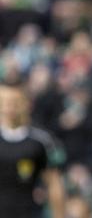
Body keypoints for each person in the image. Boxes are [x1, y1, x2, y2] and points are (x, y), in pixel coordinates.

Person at [0, 79, 66, 218]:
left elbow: (54, 184)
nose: (10, 107)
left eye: (15, 102)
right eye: (5, 102)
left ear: (26, 103)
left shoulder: (41, 140)